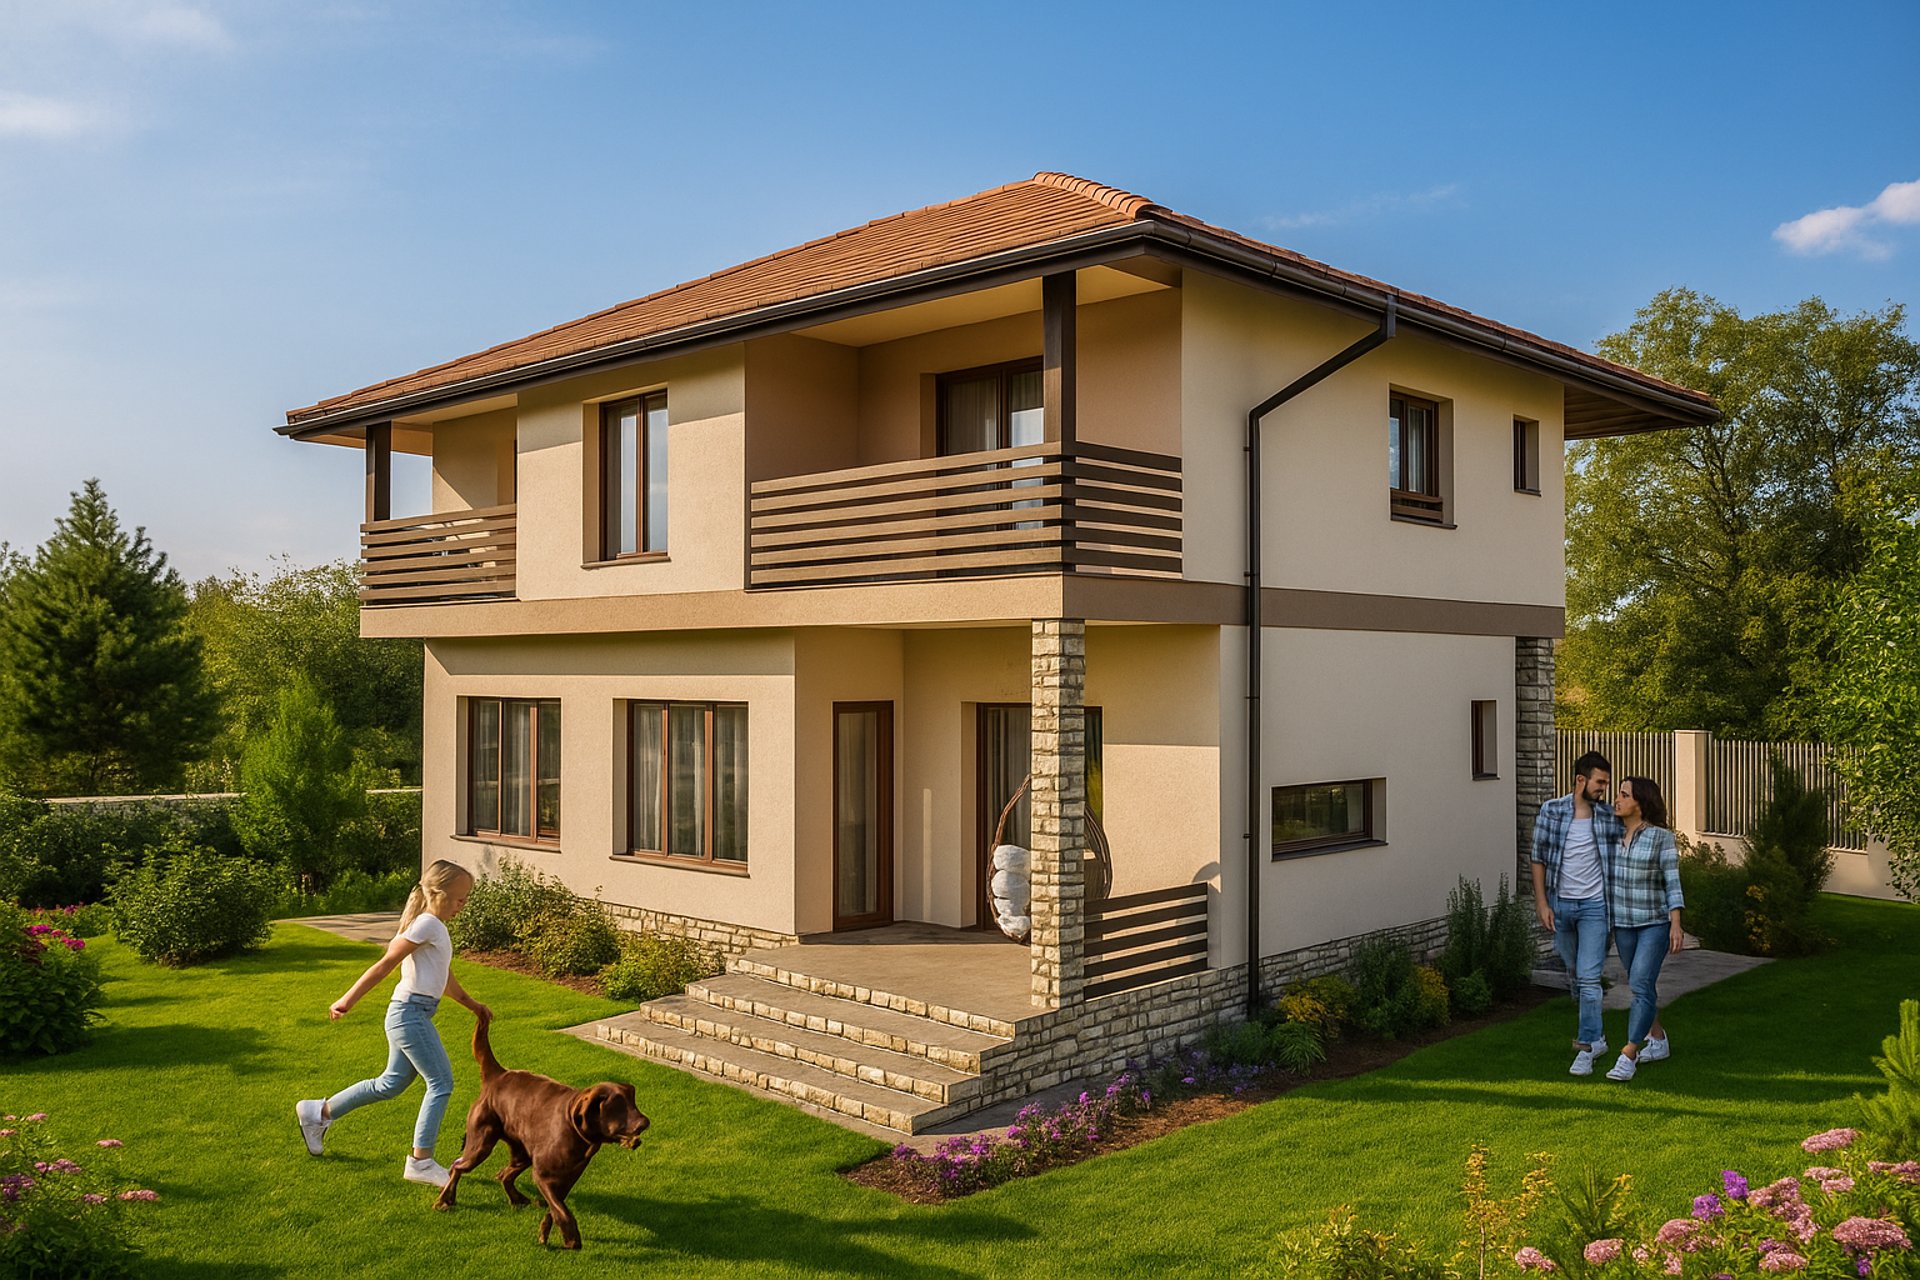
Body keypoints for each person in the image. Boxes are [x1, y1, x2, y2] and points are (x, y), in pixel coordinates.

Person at [294, 860, 491, 1187]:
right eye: (459, 898)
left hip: (413, 1013)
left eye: (466, 898)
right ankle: (421, 1162)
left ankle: (318, 1113)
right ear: (436, 894)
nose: (463, 904)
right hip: (409, 1014)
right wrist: (347, 999)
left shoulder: (435, 926)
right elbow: (386, 963)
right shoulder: (426, 924)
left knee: (390, 1083)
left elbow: (444, 977)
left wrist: (473, 1005)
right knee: (441, 1083)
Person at [1530, 751, 1623, 1076]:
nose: (1604, 788)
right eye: (1600, 782)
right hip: (1562, 906)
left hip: (1596, 908)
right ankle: (1597, 1037)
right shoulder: (1552, 811)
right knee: (1575, 977)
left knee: (1587, 978)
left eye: (1607, 783)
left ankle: (1586, 1048)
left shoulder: (1610, 817)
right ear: (1580, 780)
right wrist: (1542, 903)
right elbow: (1538, 858)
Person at [1602, 777, 1684, 1082]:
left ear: (1640, 802)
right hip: (1623, 925)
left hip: (1654, 923)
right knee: (1642, 987)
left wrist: (1675, 923)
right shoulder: (1612, 836)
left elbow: (1671, 883)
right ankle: (1658, 1039)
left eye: (1624, 795)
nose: (1617, 799)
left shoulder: (1661, 838)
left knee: (1639, 981)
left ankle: (1629, 1053)